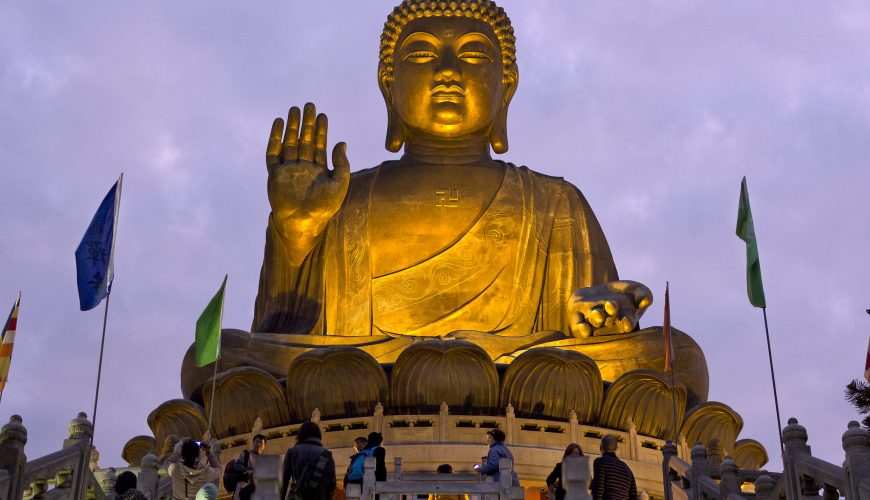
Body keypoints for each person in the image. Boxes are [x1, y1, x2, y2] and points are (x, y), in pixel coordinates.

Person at [281, 422, 336, 500]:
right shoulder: (326, 455)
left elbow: (283, 480)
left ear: (301, 434)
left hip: (298, 496)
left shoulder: (293, 451)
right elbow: (332, 484)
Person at [590, 435, 637, 500]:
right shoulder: (627, 469)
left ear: (601, 447)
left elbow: (599, 489)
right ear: (616, 448)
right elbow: (634, 496)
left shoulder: (600, 462)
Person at [232, 434, 266, 500]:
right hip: (243, 486)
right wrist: (248, 471)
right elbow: (236, 465)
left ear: (264, 446)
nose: (258, 444)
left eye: (261, 443)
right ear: (253, 443)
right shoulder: (245, 454)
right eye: (257, 442)